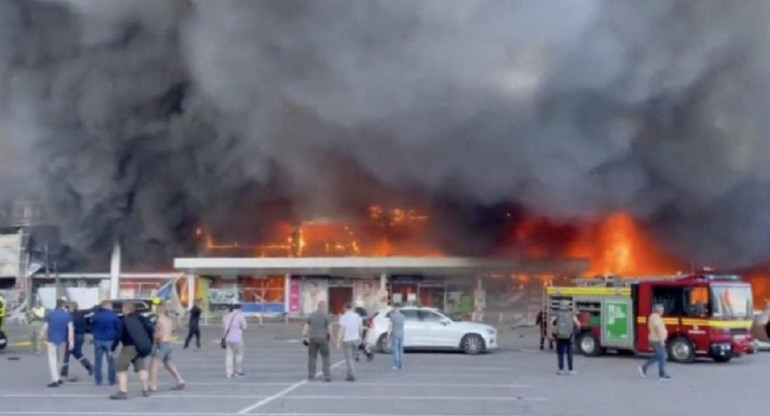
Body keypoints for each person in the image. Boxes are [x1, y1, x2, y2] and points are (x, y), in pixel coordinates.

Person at [111, 302, 154, 400]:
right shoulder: (142, 319)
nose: (122, 311)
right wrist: (149, 343)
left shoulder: (124, 321)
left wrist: (113, 347)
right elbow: (150, 330)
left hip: (128, 347)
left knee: (121, 367)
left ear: (126, 310)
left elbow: (118, 336)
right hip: (141, 347)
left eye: (123, 309)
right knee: (141, 367)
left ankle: (123, 391)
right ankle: (145, 389)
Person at [150, 304, 185, 391]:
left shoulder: (158, 320)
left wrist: (155, 339)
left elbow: (160, 334)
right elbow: (173, 329)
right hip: (169, 343)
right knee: (168, 363)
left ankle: (153, 385)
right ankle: (180, 380)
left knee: (154, 364)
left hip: (161, 343)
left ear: (157, 311)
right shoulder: (168, 320)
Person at [42, 299, 74, 387]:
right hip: (63, 340)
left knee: (52, 359)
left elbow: (45, 327)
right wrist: (71, 342)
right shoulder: (67, 316)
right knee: (60, 359)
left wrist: (41, 337)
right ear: (63, 306)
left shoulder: (50, 315)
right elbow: (70, 330)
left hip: (51, 340)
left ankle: (55, 379)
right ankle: (58, 377)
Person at [60, 302, 93, 381]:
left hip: (73, 336)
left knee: (66, 356)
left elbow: (70, 328)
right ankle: (88, 366)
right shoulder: (81, 315)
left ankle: (64, 374)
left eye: (69, 307)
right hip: (81, 336)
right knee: (78, 353)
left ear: (72, 307)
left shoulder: (71, 317)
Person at [638, 304, 672, 380]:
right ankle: (662, 374)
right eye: (662, 310)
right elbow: (657, 328)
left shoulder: (655, 317)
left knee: (660, 356)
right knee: (663, 356)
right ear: (659, 311)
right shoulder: (655, 317)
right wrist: (661, 340)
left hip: (656, 339)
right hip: (656, 340)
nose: (663, 311)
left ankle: (644, 367)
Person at [91, 300, 121, 386]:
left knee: (98, 361)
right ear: (107, 306)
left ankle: (98, 380)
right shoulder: (113, 316)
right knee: (111, 361)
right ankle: (111, 380)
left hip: (98, 340)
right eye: (111, 306)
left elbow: (92, 326)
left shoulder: (96, 315)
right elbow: (118, 328)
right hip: (110, 340)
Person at [302, 300, 331, 382]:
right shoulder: (326, 316)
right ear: (324, 307)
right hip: (323, 338)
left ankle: (311, 374)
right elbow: (329, 328)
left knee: (312, 357)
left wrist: (304, 336)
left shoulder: (311, 315)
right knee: (325, 357)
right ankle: (327, 375)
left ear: (318, 306)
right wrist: (331, 338)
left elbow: (306, 327)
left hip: (313, 338)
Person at [550, 300, 580, 375]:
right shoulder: (571, 313)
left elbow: (551, 323)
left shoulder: (557, 313)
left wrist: (553, 333)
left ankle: (561, 369)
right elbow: (578, 324)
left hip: (559, 336)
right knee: (569, 353)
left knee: (560, 353)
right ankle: (570, 370)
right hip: (569, 336)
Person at [338, 302, 363, 382]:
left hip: (347, 339)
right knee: (352, 358)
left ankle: (351, 374)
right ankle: (348, 375)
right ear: (351, 308)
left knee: (349, 359)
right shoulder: (357, 317)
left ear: (345, 308)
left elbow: (341, 330)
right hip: (356, 339)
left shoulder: (343, 317)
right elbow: (360, 328)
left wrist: (339, 340)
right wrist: (360, 337)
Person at [223, 304, 247, 378]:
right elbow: (245, 326)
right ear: (239, 308)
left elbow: (224, 326)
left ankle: (229, 373)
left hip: (227, 338)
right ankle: (237, 370)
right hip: (237, 338)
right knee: (238, 354)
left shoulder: (226, 316)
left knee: (229, 355)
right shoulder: (240, 316)